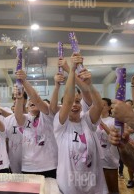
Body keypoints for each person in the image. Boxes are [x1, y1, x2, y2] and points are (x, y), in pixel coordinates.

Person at [53, 53, 108, 193]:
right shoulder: (60, 124)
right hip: (69, 187)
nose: (74, 105)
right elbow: (68, 99)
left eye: (78, 101)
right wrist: (71, 69)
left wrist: (89, 85)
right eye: (72, 102)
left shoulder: (87, 120)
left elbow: (99, 105)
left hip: (93, 186)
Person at [14, 69, 58, 178]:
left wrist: (24, 81)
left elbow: (37, 100)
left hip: (49, 166)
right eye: (29, 101)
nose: (32, 101)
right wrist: (19, 98)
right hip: (28, 167)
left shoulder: (47, 116)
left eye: (34, 101)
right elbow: (18, 115)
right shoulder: (26, 118)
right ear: (27, 107)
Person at [95, 98, 119, 193]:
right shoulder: (94, 121)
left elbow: (114, 136)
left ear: (109, 107)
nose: (101, 107)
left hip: (110, 159)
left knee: (112, 189)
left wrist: (102, 124)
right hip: (97, 160)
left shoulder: (113, 121)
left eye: (103, 105)